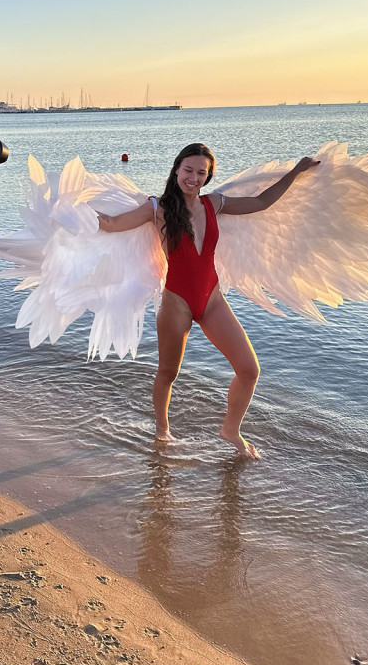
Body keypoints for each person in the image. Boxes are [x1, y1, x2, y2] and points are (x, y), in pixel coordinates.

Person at [97, 143, 318, 458]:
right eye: (188, 170)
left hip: (211, 300)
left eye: (202, 173)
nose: (194, 178)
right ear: (176, 169)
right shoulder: (156, 208)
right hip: (176, 303)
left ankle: (230, 429)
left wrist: (296, 171)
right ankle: (162, 432)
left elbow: (261, 202)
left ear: (208, 176)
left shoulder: (214, 203)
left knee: (249, 369)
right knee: (167, 374)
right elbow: (111, 224)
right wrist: (73, 216)